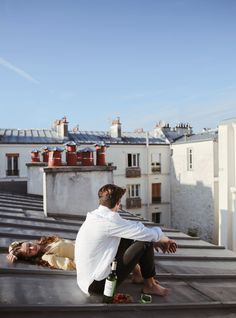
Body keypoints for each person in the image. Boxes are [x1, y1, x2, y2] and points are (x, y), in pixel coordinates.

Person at [75, 184, 177, 297]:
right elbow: (144, 233)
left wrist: (157, 240)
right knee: (145, 242)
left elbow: (132, 228)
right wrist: (164, 238)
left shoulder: (96, 216)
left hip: (86, 280)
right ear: (118, 203)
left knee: (129, 235)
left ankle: (137, 275)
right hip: (98, 285)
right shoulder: (110, 220)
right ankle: (150, 286)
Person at [6, 235, 76, 270]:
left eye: (29, 245)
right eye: (29, 251)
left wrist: (12, 248)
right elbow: (70, 265)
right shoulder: (47, 257)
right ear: (29, 257)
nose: (32, 248)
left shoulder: (47, 241)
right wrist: (12, 253)